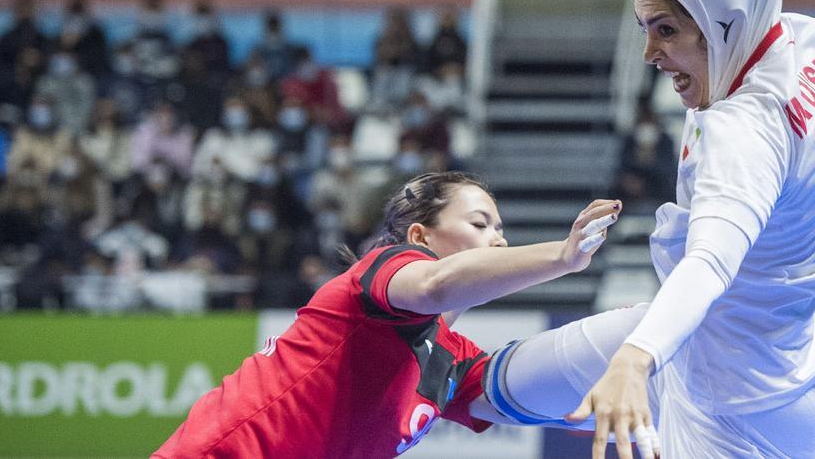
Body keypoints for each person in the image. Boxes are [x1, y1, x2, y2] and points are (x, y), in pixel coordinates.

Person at [477, 0, 815, 457]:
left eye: (666, 30)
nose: (650, 55)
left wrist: (635, 357)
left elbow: (710, 262)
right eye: (645, 30)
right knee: (485, 386)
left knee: (501, 388)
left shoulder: (746, 130)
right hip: (719, 353)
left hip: (731, 411)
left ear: (723, 22)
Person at [153, 171, 620, 457]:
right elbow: (435, 286)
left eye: (500, 230)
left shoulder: (452, 361)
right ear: (419, 237)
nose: (499, 242)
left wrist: (625, 403)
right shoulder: (380, 274)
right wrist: (562, 256)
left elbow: (524, 402)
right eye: (480, 225)